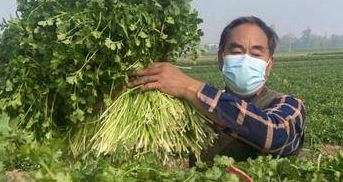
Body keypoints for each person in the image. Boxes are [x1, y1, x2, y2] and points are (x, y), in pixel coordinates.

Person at [129, 16, 306, 162]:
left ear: (268, 65)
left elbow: (273, 135)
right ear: (221, 60)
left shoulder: (290, 107)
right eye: (236, 52)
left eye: (256, 53)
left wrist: (188, 86)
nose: (245, 59)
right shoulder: (195, 109)